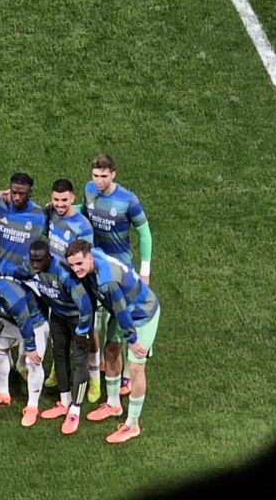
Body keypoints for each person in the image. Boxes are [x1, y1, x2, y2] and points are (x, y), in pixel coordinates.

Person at [65, 239, 161, 445]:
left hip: (143, 314)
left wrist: (133, 340)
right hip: (126, 308)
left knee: (135, 368)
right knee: (110, 351)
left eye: (79, 264)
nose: (75, 269)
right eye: (72, 265)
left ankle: (132, 424)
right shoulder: (95, 256)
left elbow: (121, 311)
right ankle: (114, 404)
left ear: (89, 258)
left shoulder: (106, 282)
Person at [83, 154, 152, 398]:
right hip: (96, 267)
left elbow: (145, 233)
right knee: (97, 319)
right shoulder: (89, 190)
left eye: (104, 176)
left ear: (113, 174)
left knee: (119, 322)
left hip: (120, 273)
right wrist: (63, 210)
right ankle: (104, 367)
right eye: (95, 175)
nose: (99, 181)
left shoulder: (128, 200)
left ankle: (124, 375)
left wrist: (145, 271)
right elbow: (84, 213)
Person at [18, 239, 92, 434]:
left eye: (39, 261)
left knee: (80, 361)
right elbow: (16, 273)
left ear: (49, 257)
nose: (35, 265)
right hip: (58, 315)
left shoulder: (64, 274)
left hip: (77, 318)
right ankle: (64, 400)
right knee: (59, 354)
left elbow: (85, 305)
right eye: (32, 260)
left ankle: (75, 409)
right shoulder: (29, 266)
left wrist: (83, 331)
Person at [0, 269, 49, 426]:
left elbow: (25, 322)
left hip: (34, 322)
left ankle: (32, 406)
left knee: (33, 361)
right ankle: (2, 394)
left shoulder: (12, 298)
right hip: (11, 321)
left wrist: (30, 347)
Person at [0, 172, 47, 277]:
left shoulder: (39, 215)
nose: (17, 197)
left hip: (27, 276)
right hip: (1, 274)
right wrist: (0, 193)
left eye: (21, 194)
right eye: (14, 192)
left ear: (30, 192)